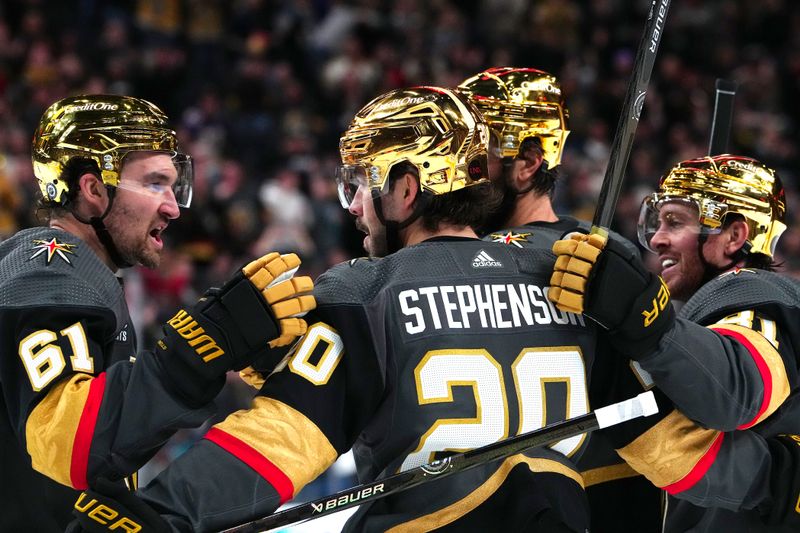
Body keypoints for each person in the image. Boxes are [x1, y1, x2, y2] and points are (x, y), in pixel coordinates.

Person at [71, 86, 604, 533]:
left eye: (358, 184)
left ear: (404, 189)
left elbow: (281, 439)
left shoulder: (365, 291)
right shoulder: (565, 272)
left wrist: (160, 513)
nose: (351, 205)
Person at [0, 94, 315, 532]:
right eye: (153, 183)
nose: (172, 206)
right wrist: (204, 347)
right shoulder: (51, 270)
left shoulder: (73, 273)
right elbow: (65, 442)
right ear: (92, 190)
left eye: (173, 185)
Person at [458, 66, 663, 532]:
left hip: (594, 498)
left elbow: (652, 400)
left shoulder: (598, 261)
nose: (456, 172)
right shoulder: (455, 256)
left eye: (473, 156)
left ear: (529, 163)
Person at [549, 153, 800, 531]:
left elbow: (736, 394)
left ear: (734, 236)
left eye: (675, 222)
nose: (657, 238)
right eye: (657, 221)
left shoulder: (759, 291)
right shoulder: (714, 312)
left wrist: (642, 315)